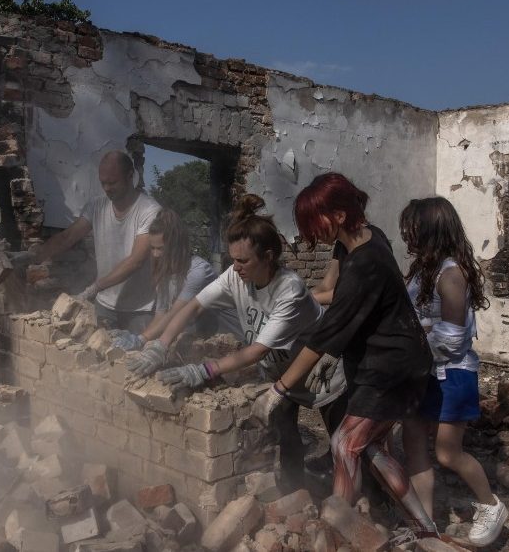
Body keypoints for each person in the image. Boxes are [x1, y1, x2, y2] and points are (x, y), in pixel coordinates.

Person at [252, 173, 438, 539]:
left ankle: (336, 528)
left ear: (338, 214)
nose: (312, 231)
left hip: (393, 369)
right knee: (368, 448)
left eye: (314, 220)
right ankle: (423, 527)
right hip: (388, 362)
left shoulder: (365, 264)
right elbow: (330, 293)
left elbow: (327, 333)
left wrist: (279, 389)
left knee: (344, 443)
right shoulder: (362, 238)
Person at [127, 194, 346, 491]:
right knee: (286, 435)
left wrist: (204, 370)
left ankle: (364, 504)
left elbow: (256, 351)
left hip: (324, 373)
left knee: (343, 445)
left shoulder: (289, 290)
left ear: (268, 257)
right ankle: (296, 495)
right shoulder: (235, 275)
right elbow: (193, 306)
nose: (236, 267)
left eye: (243, 261)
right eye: (233, 260)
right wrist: (160, 345)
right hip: (283, 373)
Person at [398, 197, 507, 547]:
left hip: (452, 374)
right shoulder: (419, 271)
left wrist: (415, 337)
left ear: (431, 230)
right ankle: (424, 521)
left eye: (412, 229)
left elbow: (452, 339)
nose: (406, 236)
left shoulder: (451, 274)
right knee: (412, 441)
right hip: (423, 372)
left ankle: (491, 506)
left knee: (447, 452)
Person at [13, 150, 161, 332]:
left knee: (135, 355)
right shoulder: (97, 206)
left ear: (130, 176)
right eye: (103, 183)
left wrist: (95, 287)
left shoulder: (149, 211)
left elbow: (136, 260)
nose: (107, 188)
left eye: (112, 182)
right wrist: (31, 256)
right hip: (105, 304)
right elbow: (68, 237)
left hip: (140, 309)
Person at [111, 209, 241, 351]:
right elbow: (161, 315)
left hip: (234, 340)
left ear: (176, 247)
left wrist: (142, 339)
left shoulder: (198, 272)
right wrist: (140, 340)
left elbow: (175, 314)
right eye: (152, 248)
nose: (155, 254)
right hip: (207, 340)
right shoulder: (165, 275)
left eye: (160, 249)